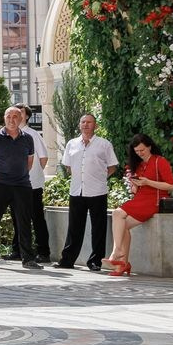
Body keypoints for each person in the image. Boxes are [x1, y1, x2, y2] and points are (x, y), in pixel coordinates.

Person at [52, 113, 118, 271]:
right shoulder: (72, 144)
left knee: (98, 228)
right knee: (74, 227)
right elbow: (68, 166)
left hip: (98, 191)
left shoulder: (104, 144)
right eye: (83, 122)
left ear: (95, 125)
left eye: (89, 122)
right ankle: (67, 260)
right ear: (79, 125)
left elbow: (112, 166)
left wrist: (99, 178)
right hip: (76, 191)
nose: (86, 124)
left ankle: (95, 262)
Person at [104, 134, 173, 277]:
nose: (140, 153)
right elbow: (137, 190)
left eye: (142, 150)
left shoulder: (160, 161)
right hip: (140, 199)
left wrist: (147, 182)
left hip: (154, 200)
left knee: (117, 213)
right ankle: (123, 263)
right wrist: (135, 185)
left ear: (149, 147)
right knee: (122, 225)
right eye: (136, 151)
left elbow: (170, 186)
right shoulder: (140, 165)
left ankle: (117, 251)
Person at [0, 105, 39, 269]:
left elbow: (29, 162)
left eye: (15, 116)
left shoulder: (28, 139)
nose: (11, 120)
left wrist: (19, 177)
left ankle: (27, 259)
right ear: (4, 118)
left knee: (24, 223)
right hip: (0, 185)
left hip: (22, 186)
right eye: (8, 116)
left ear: (21, 119)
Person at [20, 105, 51, 262]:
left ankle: (43, 252)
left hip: (33, 184)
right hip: (16, 185)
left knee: (37, 218)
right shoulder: (9, 134)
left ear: (27, 116)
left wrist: (35, 173)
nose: (17, 115)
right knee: (18, 218)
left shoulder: (33, 135)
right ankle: (18, 251)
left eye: (20, 113)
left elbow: (43, 158)